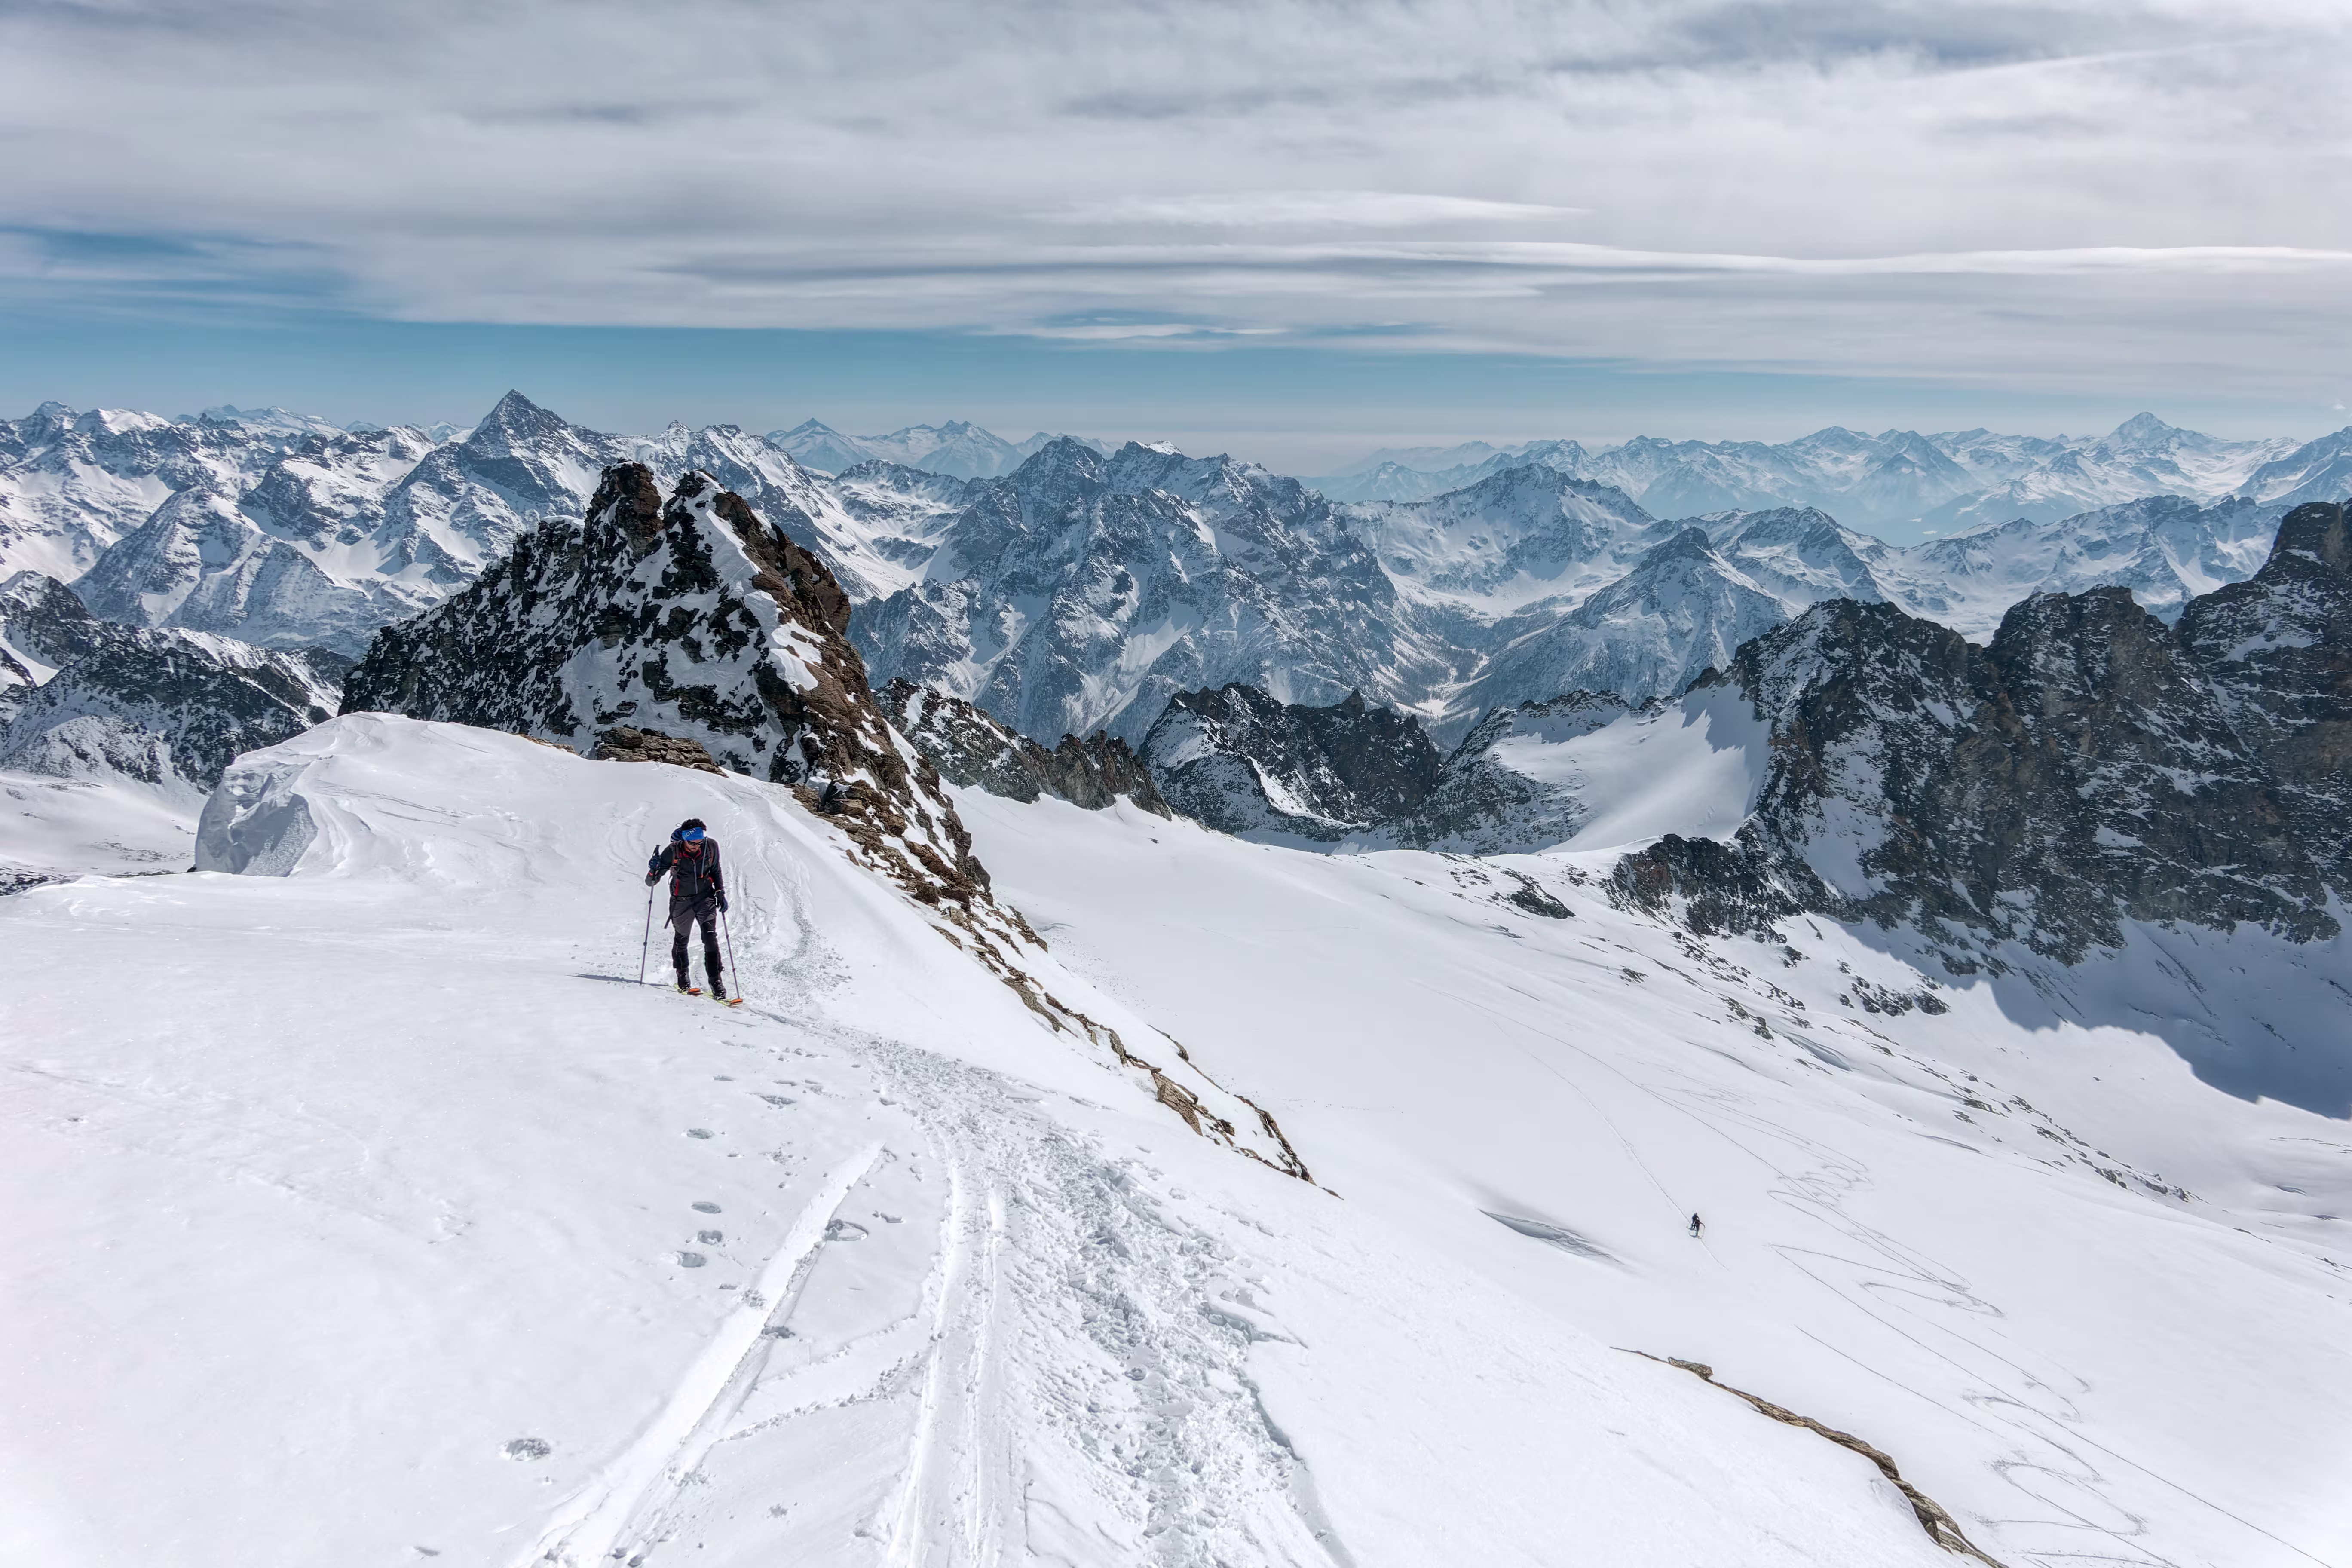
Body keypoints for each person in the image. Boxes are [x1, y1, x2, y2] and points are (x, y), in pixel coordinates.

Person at [646, 818, 729, 1000]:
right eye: (692, 843)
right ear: (684, 839)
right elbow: (651, 881)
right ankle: (683, 978)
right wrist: (653, 869)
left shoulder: (711, 847)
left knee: (710, 937)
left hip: (705, 898)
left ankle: (716, 983)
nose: (696, 847)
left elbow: (716, 870)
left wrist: (720, 892)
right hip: (681, 901)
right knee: (682, 938)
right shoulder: (673, 851)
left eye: (700, 843)